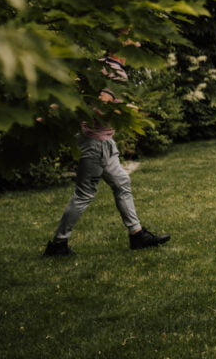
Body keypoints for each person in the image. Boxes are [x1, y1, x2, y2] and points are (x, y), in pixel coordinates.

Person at [44, 49, 170, 256]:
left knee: (122, 183)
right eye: (132, 39)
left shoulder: (96, 66)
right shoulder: (116, 73)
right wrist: (126, 110)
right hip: (96, 142)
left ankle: (137, 235)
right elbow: (100, 109)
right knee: (84, 194)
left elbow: (82, 99)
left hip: (101, 141)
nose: (138, 44)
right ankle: (58, 244)